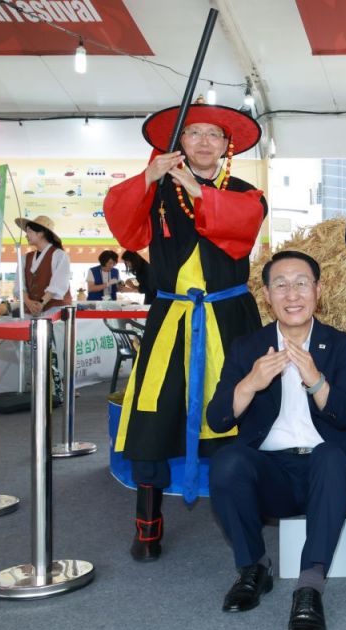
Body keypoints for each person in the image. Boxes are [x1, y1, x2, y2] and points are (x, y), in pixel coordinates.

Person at [103, 100, 267, 561]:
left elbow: (240, 226)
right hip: (171, 318)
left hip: (229, 318)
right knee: (154, 413)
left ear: (227, 145)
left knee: (241, 410)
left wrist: (197, 190)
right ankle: (147, 527)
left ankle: (249, 519)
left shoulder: (247, 193)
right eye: (193, 133)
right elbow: (123, 223)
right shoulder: (156, 189)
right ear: (179, 142)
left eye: (214, 134)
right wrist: (147, 178)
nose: (204, 142)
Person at [206, 250, 346, 630]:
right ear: (266, 295)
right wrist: (250, 384)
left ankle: (309, 586)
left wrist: (315, 379)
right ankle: (253, 568)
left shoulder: (343, 345)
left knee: (331, 455)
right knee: (227, 462)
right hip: (271, 472)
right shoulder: (248, 347)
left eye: (301, 284)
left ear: (318, 291)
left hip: (326, 474)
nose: (292, 294)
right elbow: (218, 419)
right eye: (281, 285)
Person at [15, 215, 71, 314]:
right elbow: (19, 285)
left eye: (29, 231)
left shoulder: (59, 255)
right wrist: (28, 302)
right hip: (32, 310)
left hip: (55, 310)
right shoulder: (25, 258)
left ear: (41, 233)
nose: (26, 235)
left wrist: (41, 303)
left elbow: (58, 284)